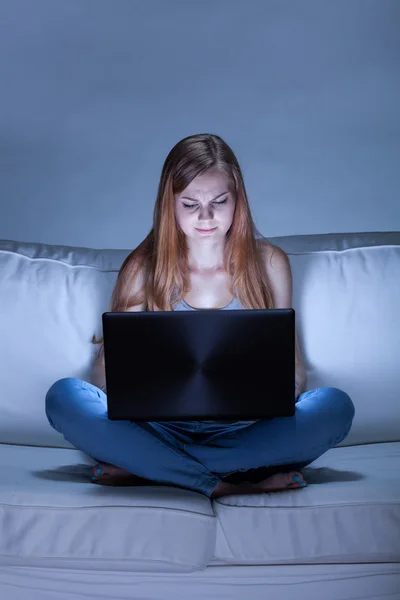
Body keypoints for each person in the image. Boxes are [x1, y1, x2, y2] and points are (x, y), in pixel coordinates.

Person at [45, 133, 355, 499]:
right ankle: (221, 482)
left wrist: (284, 387)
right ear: (170, 205)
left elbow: (294, 366)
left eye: (219, 202)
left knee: (335, 406)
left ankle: (153, 469)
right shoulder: (143, 268)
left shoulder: (270, 263)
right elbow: (103, 376)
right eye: (190, 204)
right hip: (158, 429)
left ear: (238, 200)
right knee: (64, 397)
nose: (206, 217)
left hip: (246, 431)